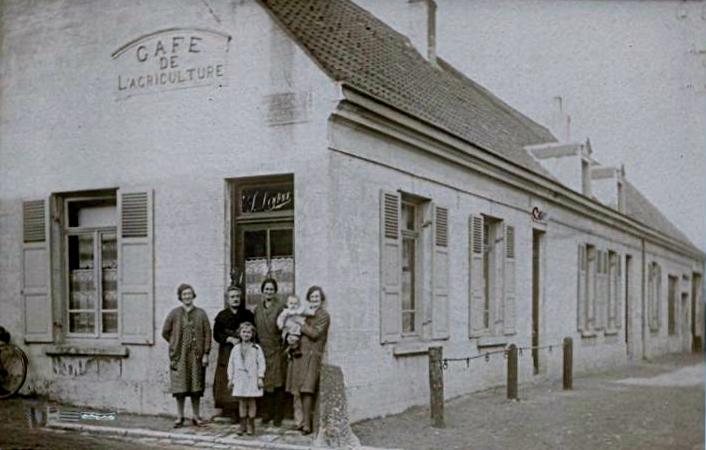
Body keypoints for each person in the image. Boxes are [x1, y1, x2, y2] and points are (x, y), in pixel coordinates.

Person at [161, 283, 212, 428]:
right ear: (180, 297)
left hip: (196, 357)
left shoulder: (201, 314)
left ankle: (196, 416)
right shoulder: (174, 313)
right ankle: (180, 416)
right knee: (180, 388)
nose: (187, 297)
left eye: (189, 294)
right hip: (180, 356)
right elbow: (165, 332)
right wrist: (174, 343)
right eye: (184, 294)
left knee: (196, 387)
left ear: (193, 295)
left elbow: (208, 333)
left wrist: (205, 353)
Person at [286, 285, 330, 435]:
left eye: (317, 297)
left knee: (307, 389)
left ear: (321, 299)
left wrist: (301, 323)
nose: (314, 300)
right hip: (299, 354)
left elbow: (315, 333)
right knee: (297, 389)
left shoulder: (323, 315)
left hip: (312, 355)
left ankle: (307, 424)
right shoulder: (305, 313)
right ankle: (299, 422)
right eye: (312, 298)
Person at [212, 285, 255, 423]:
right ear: (227, 299)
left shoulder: (247, 314)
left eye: (237, 296)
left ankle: (242, 411)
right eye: (232, 297)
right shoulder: (221, 316)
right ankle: (228, 410)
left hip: (244, 350)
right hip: (227, 352)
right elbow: (216, 334)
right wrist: (228, 338)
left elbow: (254, 332)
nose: (235, 299)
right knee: (227, 378)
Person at [252, 277, 287, 427]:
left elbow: (286, 326)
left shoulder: (281, 308)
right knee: (265, 383)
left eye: (271, 289)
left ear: (275, 291)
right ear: (262, 291)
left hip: (277, 349)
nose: (269, 292)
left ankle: (278, 415)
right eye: (266, 289)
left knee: (278, 383)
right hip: (262, 350)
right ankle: (267, 414)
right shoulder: (257, 309)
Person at [227, 322, 266, 436]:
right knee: (242, 401)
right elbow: (231, 365)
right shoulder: (235, 348)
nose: (246, 334)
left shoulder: (256, 348)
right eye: (244, 332)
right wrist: (231, 379)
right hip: (239, 378)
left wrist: (260, 377)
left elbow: (261, 363)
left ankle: (251, 424)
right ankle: (242, 424)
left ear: (252, 334)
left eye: (249, 332)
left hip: (252, 378)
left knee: (251, 401)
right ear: (239, 333)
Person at [276, 295, 312, 359]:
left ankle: (292, 351)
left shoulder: (298, 311)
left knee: (297, 340)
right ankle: (290, 350)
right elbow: (280, 318)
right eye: (291, 303)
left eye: (295, 304)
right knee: (291, 339)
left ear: (298, 304)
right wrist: (280, 324)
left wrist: (312, 313)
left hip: (297, 330)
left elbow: (306, 312)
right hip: (288, 329)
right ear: (287, 304)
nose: (293, 305)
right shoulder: (286, 311)